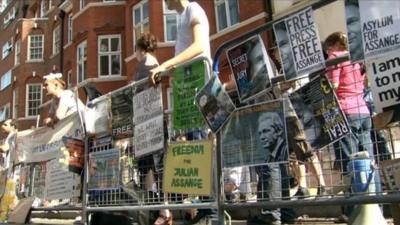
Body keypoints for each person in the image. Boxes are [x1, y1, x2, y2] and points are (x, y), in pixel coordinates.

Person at [149, 0, 210, 85]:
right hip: (189, 82)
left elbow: (199, 45)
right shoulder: (182, 17)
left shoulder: (193, 8)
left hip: (200, 80)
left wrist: (164, 66)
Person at [248, 111, 286, 225]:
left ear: (278, 131)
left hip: (264, 101)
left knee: (270, 167)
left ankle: (270, 215)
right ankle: (283, 211)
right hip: (265, 104)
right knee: (276, 165)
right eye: (260, 133)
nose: (262, 137)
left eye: (265, 132)